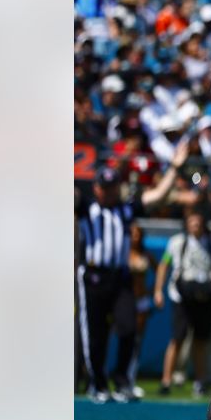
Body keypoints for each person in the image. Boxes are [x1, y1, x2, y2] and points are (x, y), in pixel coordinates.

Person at [77, 147, 185, 404]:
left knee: (128, 327)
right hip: (93, 277)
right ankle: (98, 384)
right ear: (96, 188)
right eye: (106, 187)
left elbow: (157, 196)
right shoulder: (86, 208)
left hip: (120, 276)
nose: (110, 191)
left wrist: (175, 168)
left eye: (114, 187)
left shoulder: (125, 209)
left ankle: (122, 380)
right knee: (95, 335)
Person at [154, 209, 211, 398]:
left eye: (198, 221)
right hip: (182, 297)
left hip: (204, 297)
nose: (195, 225)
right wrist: (158, 290)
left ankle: (200, 380)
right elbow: (164, 264)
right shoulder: (177, 242)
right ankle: (166, 380)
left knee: (201, 340)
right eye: (192, 221)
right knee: (177, 338)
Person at [125, 222, 153, 393]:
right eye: (132, 233)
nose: (135, 237)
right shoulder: (123, 253)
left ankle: (131, 377)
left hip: (141, 300)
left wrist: (154, 290)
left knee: (137, 339)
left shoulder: (146, 255)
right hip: (125, 300)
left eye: (138, 234)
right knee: (124, 335)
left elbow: (161, 268)